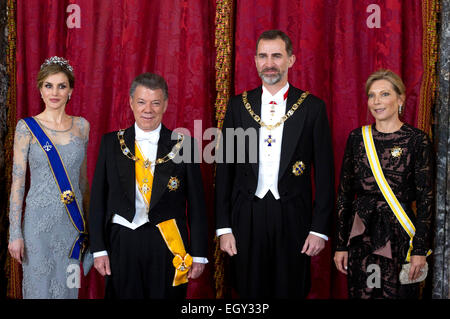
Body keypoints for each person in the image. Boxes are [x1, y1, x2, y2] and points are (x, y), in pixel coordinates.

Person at [215, 30, 334, 298]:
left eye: (277, 56)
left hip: (293, 217)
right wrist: (224, 227)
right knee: (249, 292)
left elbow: (325, 175)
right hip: (247, 216)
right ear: (255, 61)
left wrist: (318, 230)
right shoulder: (238, 106)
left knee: (290, 290)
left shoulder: (312, 108)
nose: (270, 63)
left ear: (291, 60)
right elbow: (225, 172)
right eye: (263, 56)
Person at [89, 72, 208, 299]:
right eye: (142, 102)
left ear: (165, 104)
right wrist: (99, 249)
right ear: (131, 102)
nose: (148, 110)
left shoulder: (184, 145)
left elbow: (197, 205)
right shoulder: (111, 143)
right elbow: (97, 200)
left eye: (155, 103)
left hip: (167, 243)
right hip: (122, 240)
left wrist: (199, 254)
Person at [333, 69, 434, 299]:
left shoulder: (417, 140)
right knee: (364, 294)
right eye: (371, 95)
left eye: (385, 94)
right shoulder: (357, 138)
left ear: (400, 99)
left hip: (398, 234)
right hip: (362, 232)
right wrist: (340, 244)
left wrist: (419, 249)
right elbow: (344, 195)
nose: (376, 101)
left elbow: (426, 198)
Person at [8, 57, 90, 298]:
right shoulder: (27, 127)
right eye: (48, 85)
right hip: (37, 226)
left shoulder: (82, 126)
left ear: (71, 90)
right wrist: (15, 233)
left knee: (69, 289)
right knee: (39, 290)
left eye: (61, 86)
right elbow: (18, 183)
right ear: (40, 89)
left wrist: (90, 229)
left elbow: (82, 181)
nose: (55, 92)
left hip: (72, 225)